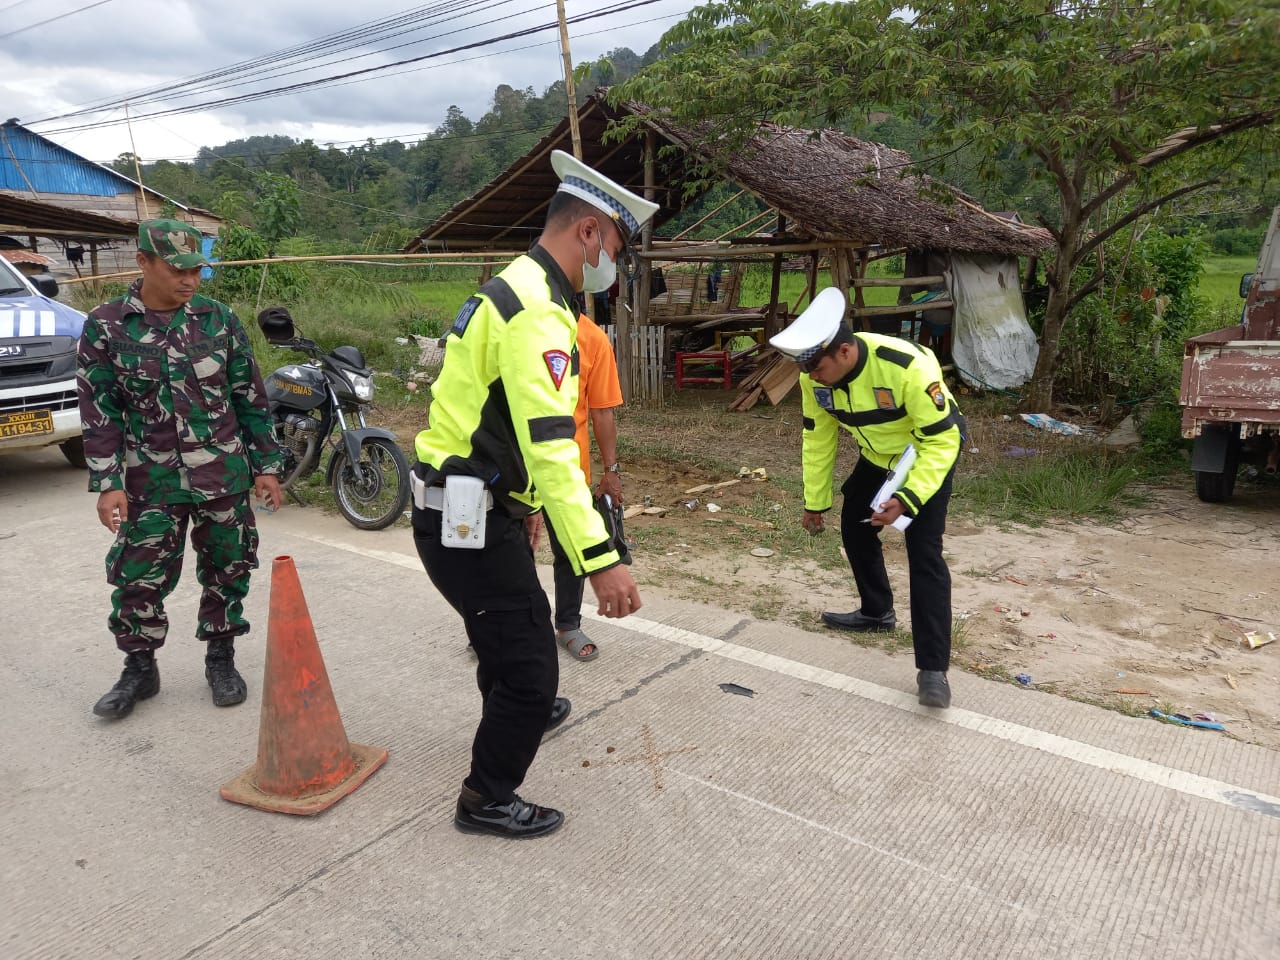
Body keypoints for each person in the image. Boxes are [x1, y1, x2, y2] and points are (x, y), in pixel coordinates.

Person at [412, 149, 657, 839]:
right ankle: (487, 796)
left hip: (467, 508)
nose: (615, 262)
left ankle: (520, 703)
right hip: (465, 516)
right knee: (528, 664)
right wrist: (602, 558)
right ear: (587, 234)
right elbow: (552, 450)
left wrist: (519, 511)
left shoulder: (511, 289)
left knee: (508, 635)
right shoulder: (538, 313)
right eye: (615, 246)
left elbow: (489, 423)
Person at [77, 219, 284, 720]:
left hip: (223, 474)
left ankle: (221, 657)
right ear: (144, 262)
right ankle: (140, 668)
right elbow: (99, 409)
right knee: (139, 576)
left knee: (228, 568)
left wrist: (268, 466)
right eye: (177, 269)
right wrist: (108, 484)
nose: (189, 279)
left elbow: (249, 398)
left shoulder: (219, 320)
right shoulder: (106, 326)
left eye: (196, 269)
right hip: (151, 479)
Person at [769, 287, 965, 708]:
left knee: (924, 553)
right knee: (854, 524)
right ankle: (877, 611)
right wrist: (814, 501)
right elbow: (817, 438)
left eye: (816, 366)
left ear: (843, 351)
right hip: (877, 457)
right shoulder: (814, 379)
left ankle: (933, 670)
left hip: (925, 453)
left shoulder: (907, 367)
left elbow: (943, 442)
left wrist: (908, 499)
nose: (811, 376)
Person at [545, 310, 625, 662]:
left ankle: (567, 625)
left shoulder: (592, 338)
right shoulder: (519, 323)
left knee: (570, 551)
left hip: (569, 470)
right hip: (516, 468)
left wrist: (611, 470)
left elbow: (603, 411)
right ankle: (500, 625)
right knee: (508, 549)